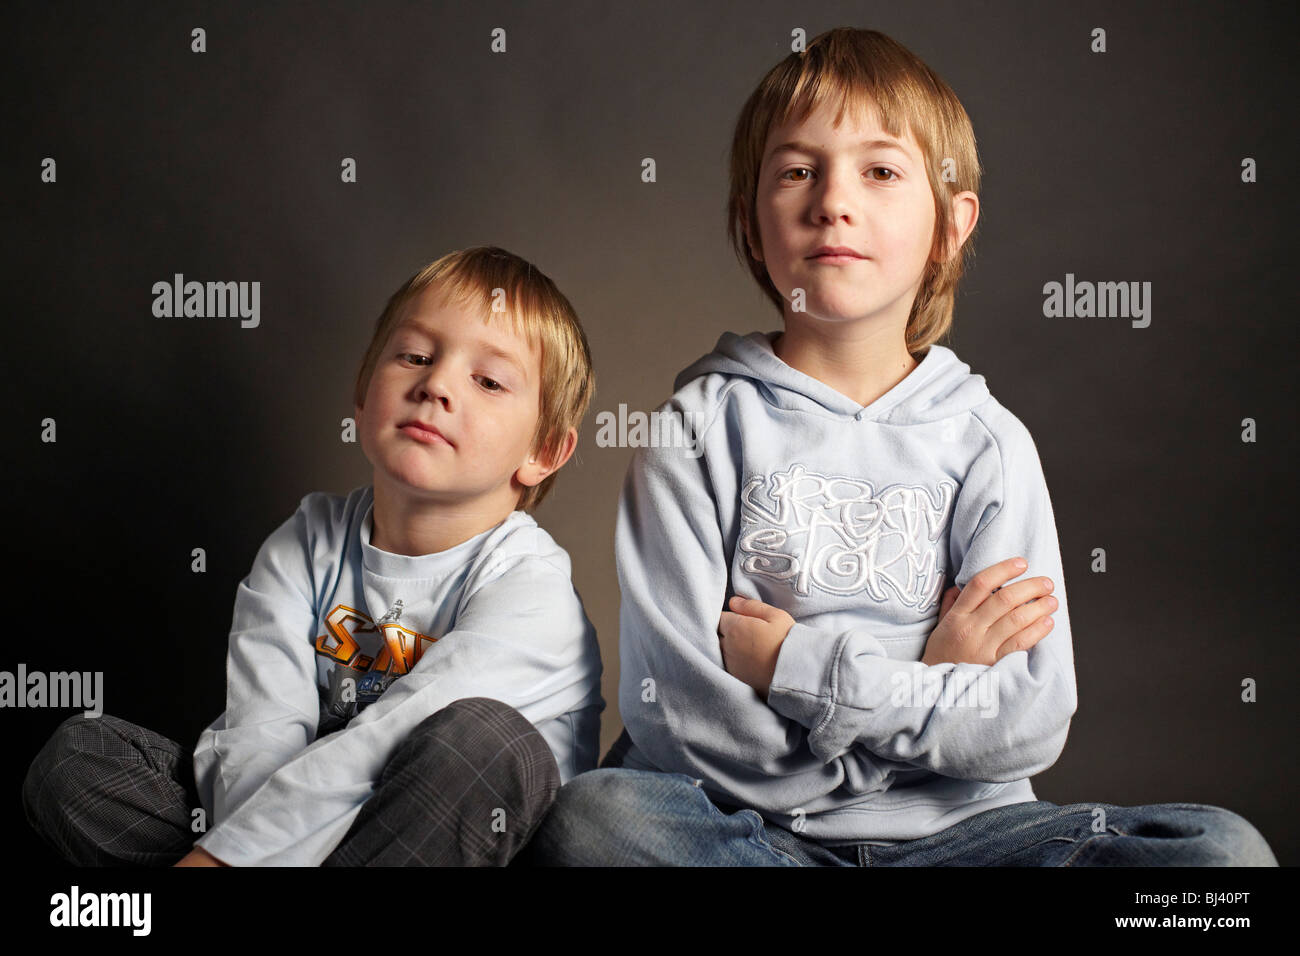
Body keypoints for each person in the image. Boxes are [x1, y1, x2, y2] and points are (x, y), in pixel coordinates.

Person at [520, 28, 1277, 866]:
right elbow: (680, 714)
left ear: (951, 225)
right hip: (750, 836)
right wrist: (933, 677)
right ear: (749, 220)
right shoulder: (695, 430)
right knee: (595, 823)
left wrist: (800, 668)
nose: (833, 201)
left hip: (964, 838)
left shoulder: (987, 444)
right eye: (798, 170)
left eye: (880, 171)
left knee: (1220, 858)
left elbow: (1027, 719)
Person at [23, 246, 604, 867]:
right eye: (415, 356)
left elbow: (387, 742)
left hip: (443, 839)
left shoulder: (530, 591)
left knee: (490, 742)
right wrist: (236, 855)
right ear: (362, 389)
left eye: (487, 381)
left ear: (544, 449)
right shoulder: (307, 540)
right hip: (306, 837)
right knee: (81, 758)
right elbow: (258, 732)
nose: (435, 385)